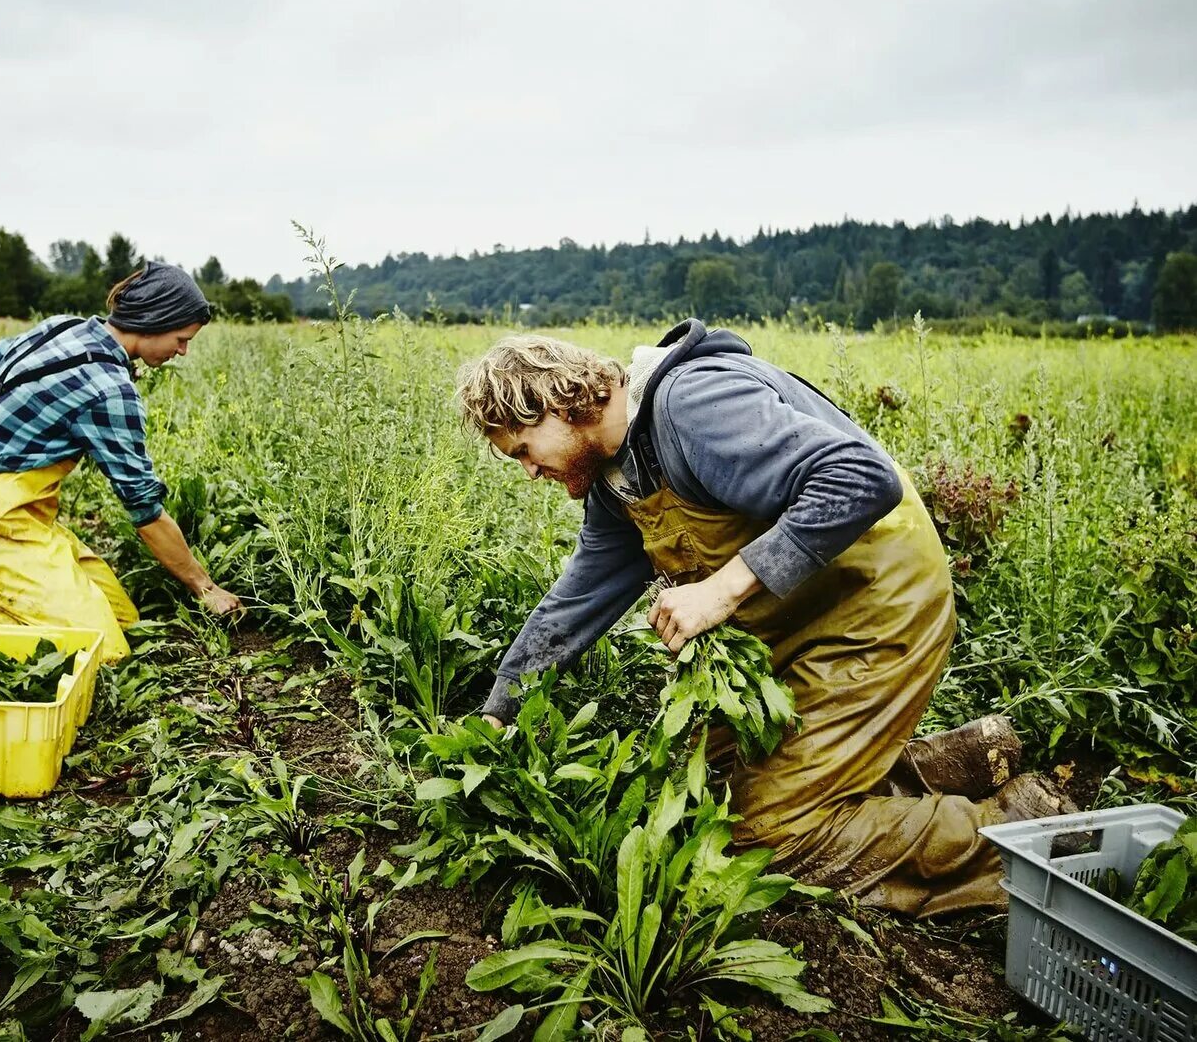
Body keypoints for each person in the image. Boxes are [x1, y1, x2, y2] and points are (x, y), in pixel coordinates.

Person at [454, 321, 1073, 916]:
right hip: (794, 619)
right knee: (709, 800)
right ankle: (955, 763)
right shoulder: (619, 476)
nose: (530, 472)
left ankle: (1031, 839)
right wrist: (497, 712)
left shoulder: (691, 403)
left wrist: (720, 592)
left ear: (557, 404)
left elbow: (861, 478)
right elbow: (575, 600)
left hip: (875, 601)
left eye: (524, 452)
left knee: (767, 837)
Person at [0, 261, 243, 660]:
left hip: (6, 508)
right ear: (154, 320)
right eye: (181, 338)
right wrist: (206, 588)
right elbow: (144, 510)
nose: (182, 351)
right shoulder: (109, 390)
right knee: (99, 651)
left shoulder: (62, 326)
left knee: (122, 620)